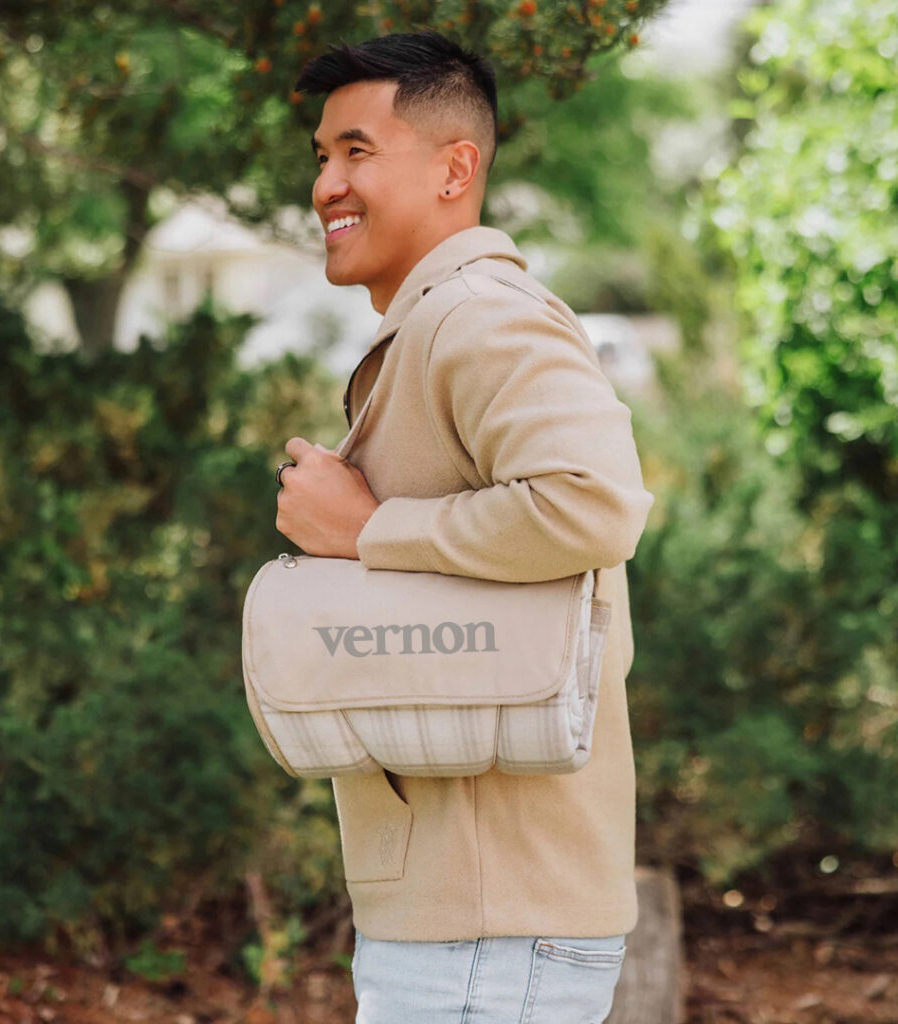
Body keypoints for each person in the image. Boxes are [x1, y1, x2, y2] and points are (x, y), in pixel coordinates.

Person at [273, 28, 655, 1024]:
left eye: (358, 151)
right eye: (321, 157)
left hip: (495, 925)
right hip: (462, 916)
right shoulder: (430, 322)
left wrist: (369, 530)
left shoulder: (480, 313)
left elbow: (593, 500)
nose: (326, 185)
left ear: (456, 169)